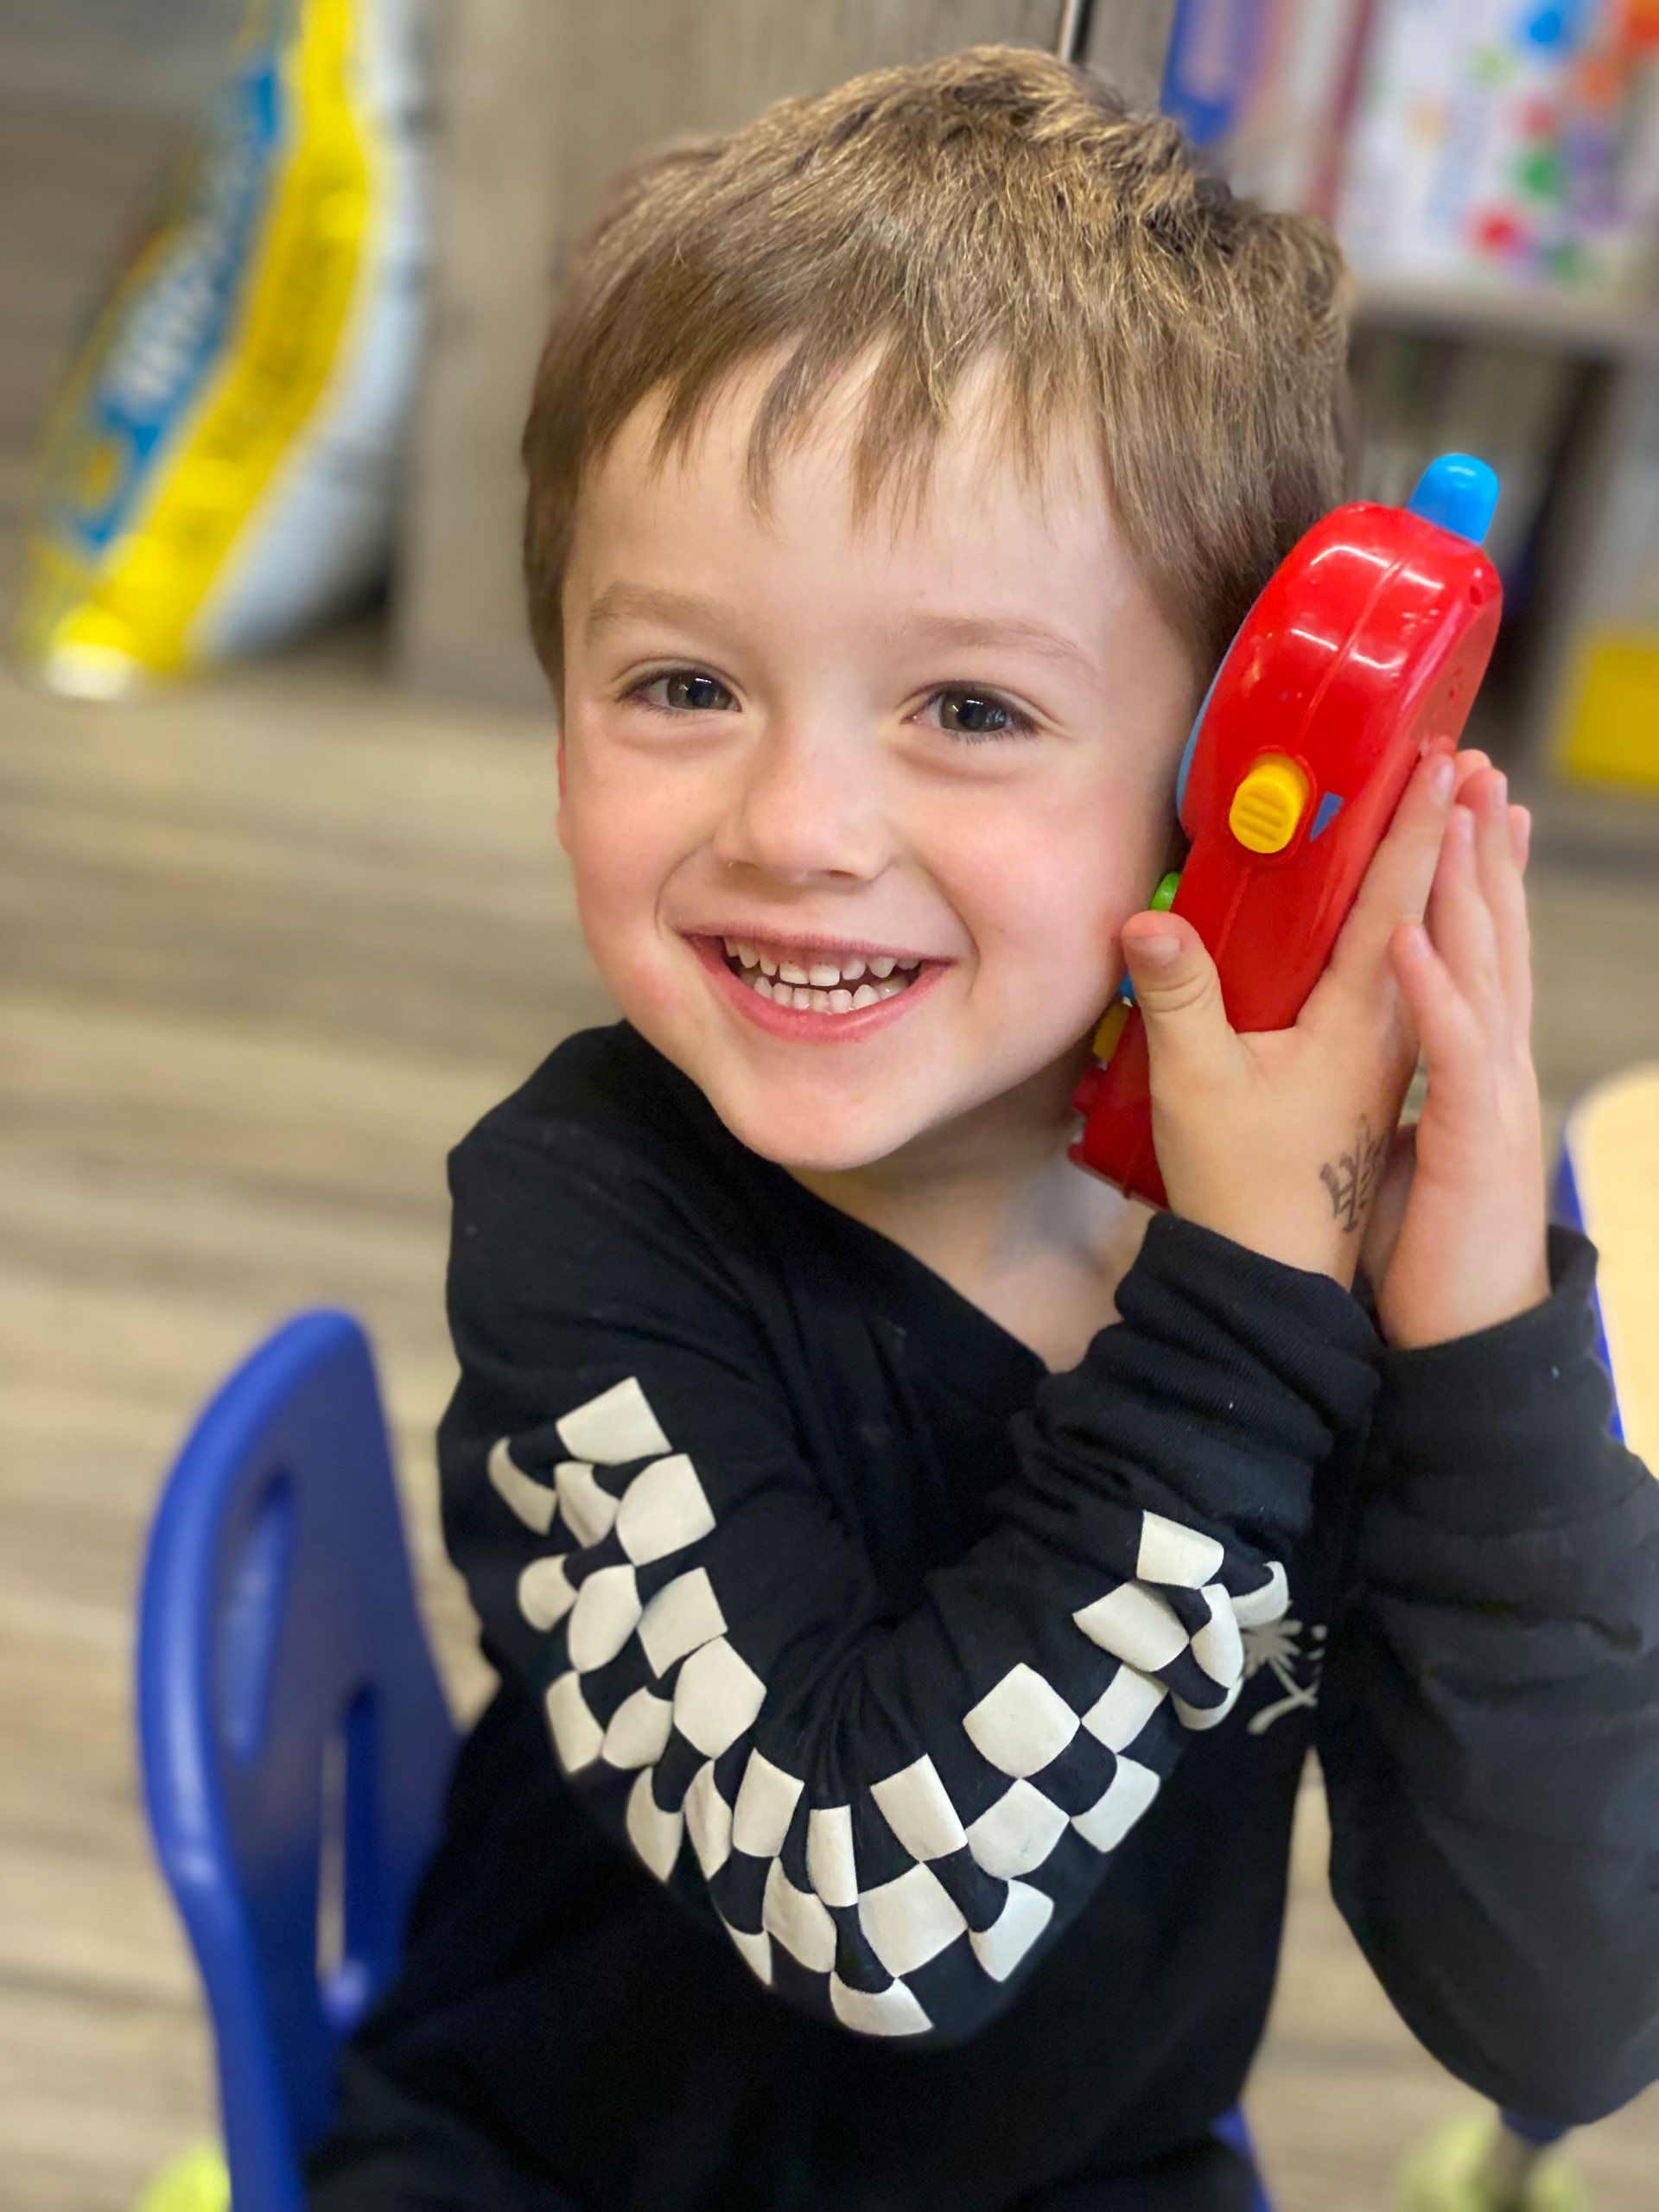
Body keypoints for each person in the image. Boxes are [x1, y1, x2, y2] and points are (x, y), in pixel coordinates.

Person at [306, 46, 1659, 2212]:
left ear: (1232, 772)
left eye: (970, 709)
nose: (797, 826)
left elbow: (1570, 2013)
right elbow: (872, 1905)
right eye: (680, 683)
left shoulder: (1335, 1267)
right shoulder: (586, 1219)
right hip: (563, 2171)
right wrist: (1238, 1316)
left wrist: (1482, 1338)